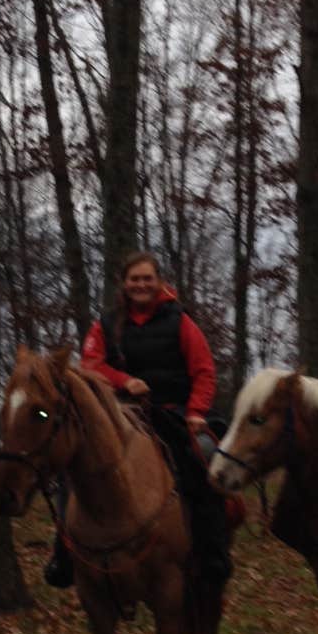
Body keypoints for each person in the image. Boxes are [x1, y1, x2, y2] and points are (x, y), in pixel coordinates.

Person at [45, 251, 232, 588]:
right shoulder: (106, 324)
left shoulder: (180, 322)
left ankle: (212, 551)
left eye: (148, 278)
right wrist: (124, 381)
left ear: (159, 282)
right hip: (118, 413)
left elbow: (204, 370)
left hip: (172, 411)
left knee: (203, 457)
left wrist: (196, 413)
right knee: (70, 463)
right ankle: (64, 552)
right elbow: (90, 365)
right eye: (135, 279)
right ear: (124, 283)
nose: (141, 284)